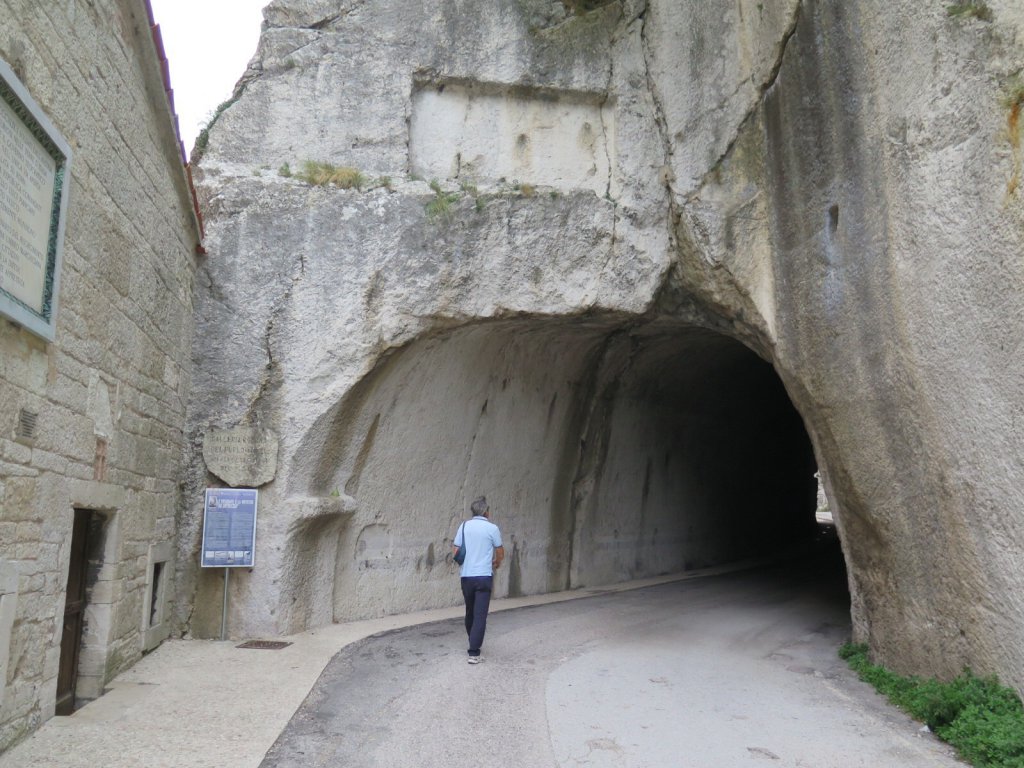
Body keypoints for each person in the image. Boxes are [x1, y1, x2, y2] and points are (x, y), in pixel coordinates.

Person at [452, 496, 504, 664]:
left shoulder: (464, 526)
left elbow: (455, 549)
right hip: (483, 575)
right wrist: (497, 562)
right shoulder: (492, 528)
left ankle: (472, 639)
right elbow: (500, 550)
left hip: (466, 576)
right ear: (486, 511)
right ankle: (474, 652)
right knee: (480, 614)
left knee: (470, 611)